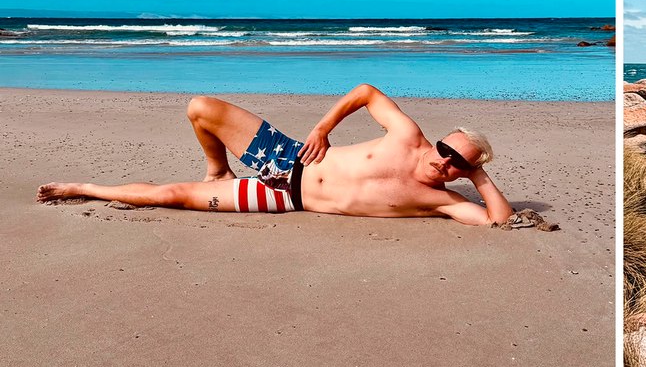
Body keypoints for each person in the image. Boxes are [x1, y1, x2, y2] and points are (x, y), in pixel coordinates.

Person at [37, 83, 513, 226]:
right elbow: (367, 93)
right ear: (438, 140)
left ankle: (83, 188)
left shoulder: (442, 200)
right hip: (289, 159)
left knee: (173, 196)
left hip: (285, 199)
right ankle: (216, 168)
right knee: (200, 107)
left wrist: (481, 179)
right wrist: (324, 127)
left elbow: (498, 221)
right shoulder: (407, 135)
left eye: (458, 162)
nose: (444, 160)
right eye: (446, 148)